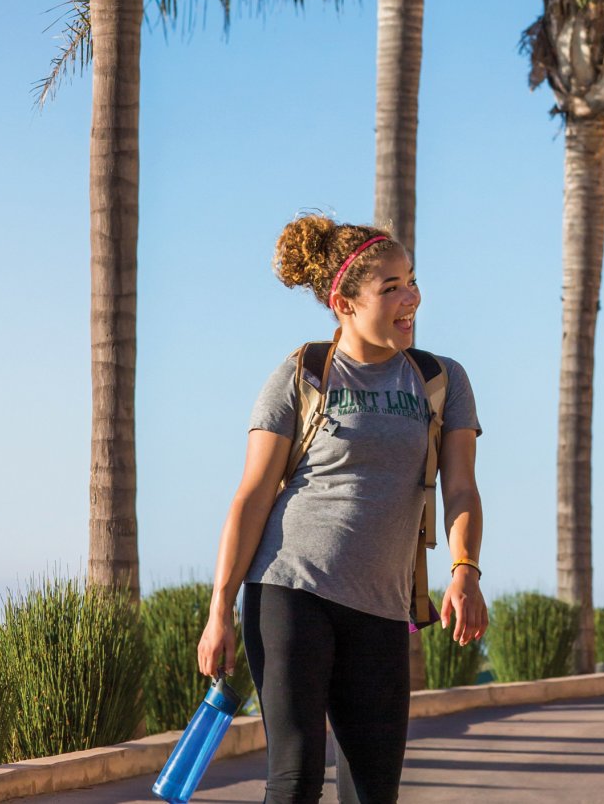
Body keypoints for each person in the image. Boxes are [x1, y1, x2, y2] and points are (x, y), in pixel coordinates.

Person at [196, 215, 487, 803]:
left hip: (381, 606)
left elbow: (460, 487)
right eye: (391, 288)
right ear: (345, 304)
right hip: (290, 588)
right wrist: (219, 609)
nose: (413, 298)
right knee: (296, 773)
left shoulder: (439, 380)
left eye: (411, 281)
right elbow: (253, 495)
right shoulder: (303, 373)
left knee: (373, 789)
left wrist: (464, 570)